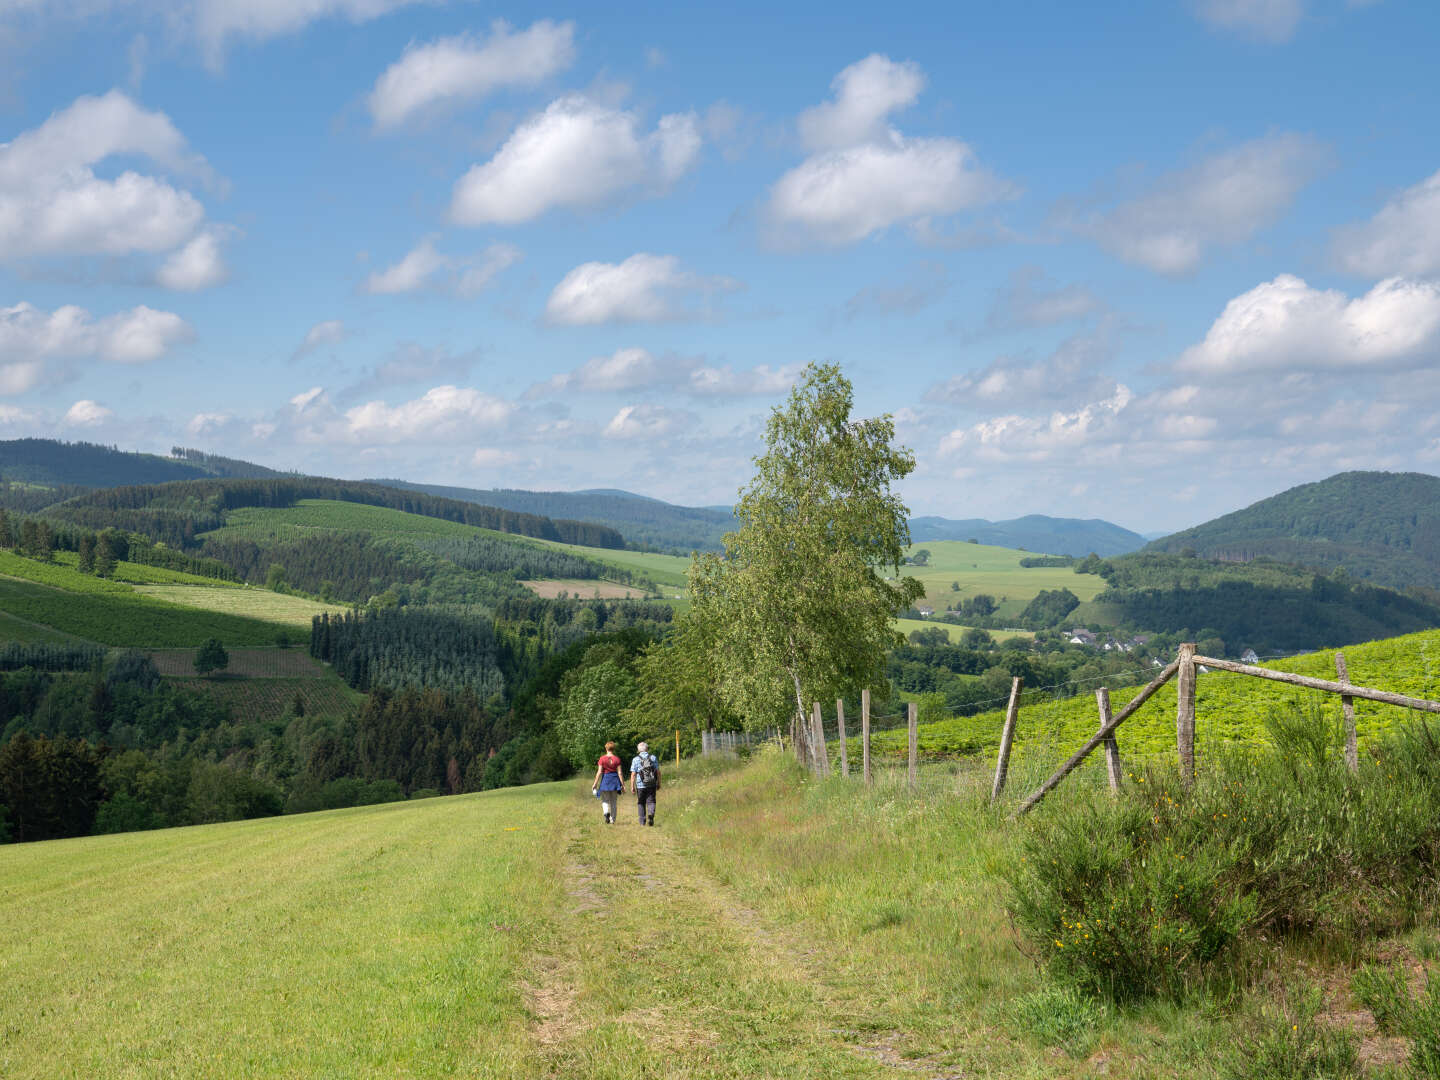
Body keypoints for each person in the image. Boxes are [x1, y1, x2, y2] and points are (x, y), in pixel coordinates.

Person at [591, 741, 624, 824]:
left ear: (606, 748)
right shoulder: (617, 759)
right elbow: (620, 773)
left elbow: (599, 772)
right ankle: (612, 820)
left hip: (605, 780)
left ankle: (606, 814)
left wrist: (595, 784)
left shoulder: (602, 759)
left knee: (605, 800)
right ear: (613, 749)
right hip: (615, 781)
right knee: (613, 801)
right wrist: (622, 784)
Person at [629, 740, 660, 826]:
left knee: (641, 803)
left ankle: (642, 822)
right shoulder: (653, 758)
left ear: (638, 750)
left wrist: (632, 786)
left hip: (640, 785)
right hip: (652, 783)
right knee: (651, 801)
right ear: (647, 749)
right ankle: (651, 814)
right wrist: (659, 783)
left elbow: (633, 774)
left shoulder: (635, 759)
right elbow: (658, 772)